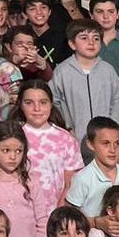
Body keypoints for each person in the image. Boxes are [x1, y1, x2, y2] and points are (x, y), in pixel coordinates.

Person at [11, 80, 81, 208]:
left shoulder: (65, 139)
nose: (37, 109)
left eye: (43, 103)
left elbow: (71, 182)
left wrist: (60, 211)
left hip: (55, 212)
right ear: (20, 105)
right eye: (29, 103)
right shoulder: (13, 136)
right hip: (22, 211)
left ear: (51, 104)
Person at [49, 19, 119, 139]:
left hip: (106, 138)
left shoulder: (108, 70)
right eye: (84, 38)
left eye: (96, 38)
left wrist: (114, 126)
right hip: (73, 137)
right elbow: (54, 102)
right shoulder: (62, 71)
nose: (91, 42)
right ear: (72, 44)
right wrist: (66, 127)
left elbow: (118, 101)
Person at [68, 116, 119, 230]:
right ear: (91, 144)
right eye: (106, 143)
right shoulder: (82, 179)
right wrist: (96, 223)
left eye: (117, 143)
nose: (112, 150)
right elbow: (70, 217)